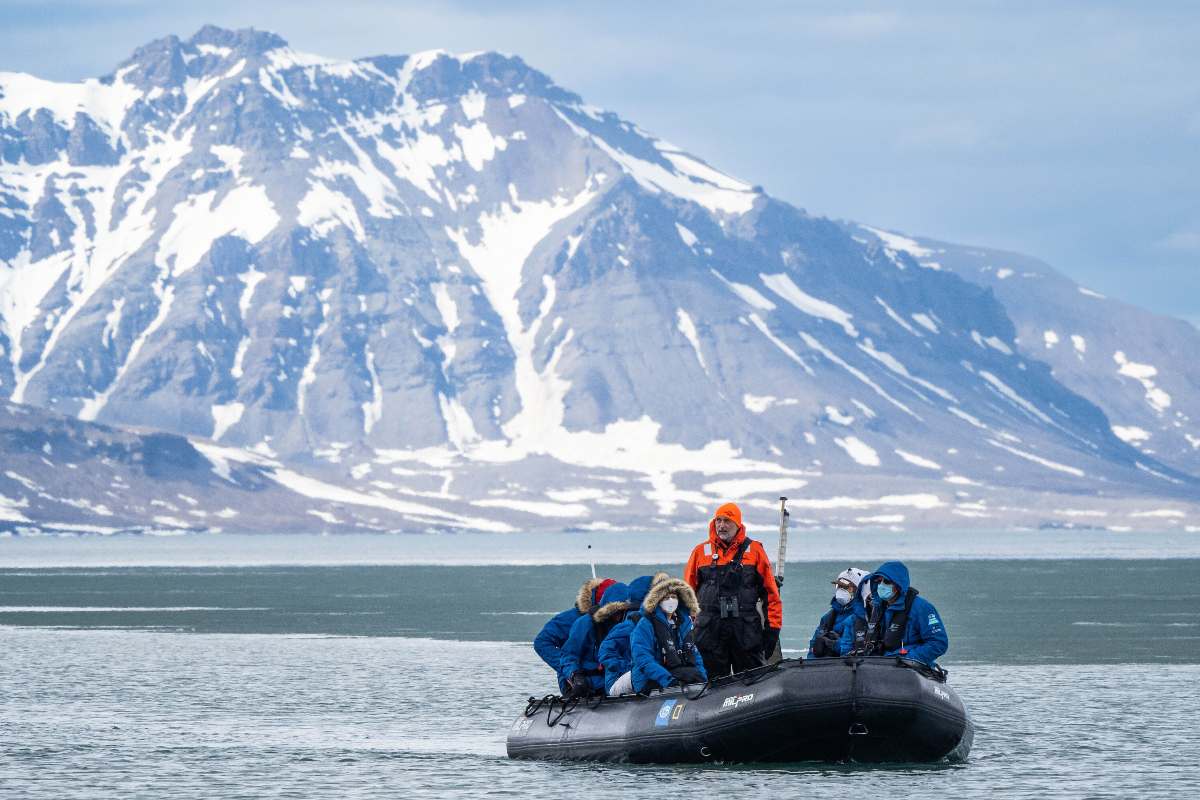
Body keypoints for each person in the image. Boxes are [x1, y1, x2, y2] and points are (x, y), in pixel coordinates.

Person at [684, 503, 782, 677]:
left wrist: (772, 630)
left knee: (752, 682)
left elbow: (771, 594)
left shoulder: (755, 551)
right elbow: (687, 594)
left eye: (727, 521)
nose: (721, 525)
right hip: (710, 631)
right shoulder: (700, 552)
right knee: (712, 683)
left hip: (745, 631)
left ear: (738, 524)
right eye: (719, 520)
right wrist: (696, 623)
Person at [839, 561, 947, 666]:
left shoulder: (922, 608)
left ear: (899, 585)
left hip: (911, 668)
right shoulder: (876, 609)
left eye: (886, 582)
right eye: (879, 581)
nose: (881, 585)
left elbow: (938, 643)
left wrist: (909, 659)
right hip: (881, 667)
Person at [534, 578, 616, 694]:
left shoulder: (618, 618)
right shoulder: (570, 619)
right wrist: (571, 671)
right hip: (576, 683)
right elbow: (542, 642)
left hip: (607, 681)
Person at [630, 577, 706, 693]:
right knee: (692, 675)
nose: (670, 600)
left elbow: (695, 655)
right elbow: (643, 660)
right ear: (658, 601)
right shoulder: (645, 624)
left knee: (695, 675)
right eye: (666, 597)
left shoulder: (683, 623)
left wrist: (703, 680)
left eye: (674, 597)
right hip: (648, 679)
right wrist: (669, 681)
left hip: (677, 673)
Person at [598, 572, 668, 695]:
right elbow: (605, 653)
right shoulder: (629, 625)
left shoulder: (658, 622)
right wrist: (629, 667)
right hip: (618, 681)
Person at [561, 582, 631, 698]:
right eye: (615, 611)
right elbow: (569, 654)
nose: (618, 616)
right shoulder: (585, 624)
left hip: (613, 684)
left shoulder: (629, 625)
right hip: (587, 685)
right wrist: (575, 675)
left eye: (622, 611)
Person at [809, 568, 869, 658]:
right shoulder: (827, 618)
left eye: (847, 588)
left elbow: (857, 646)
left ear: (857, 590)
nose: (842, 591)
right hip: (823, 666)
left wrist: (835, 644)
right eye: (840, 587)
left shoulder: (861, 617)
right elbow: (813, 646)